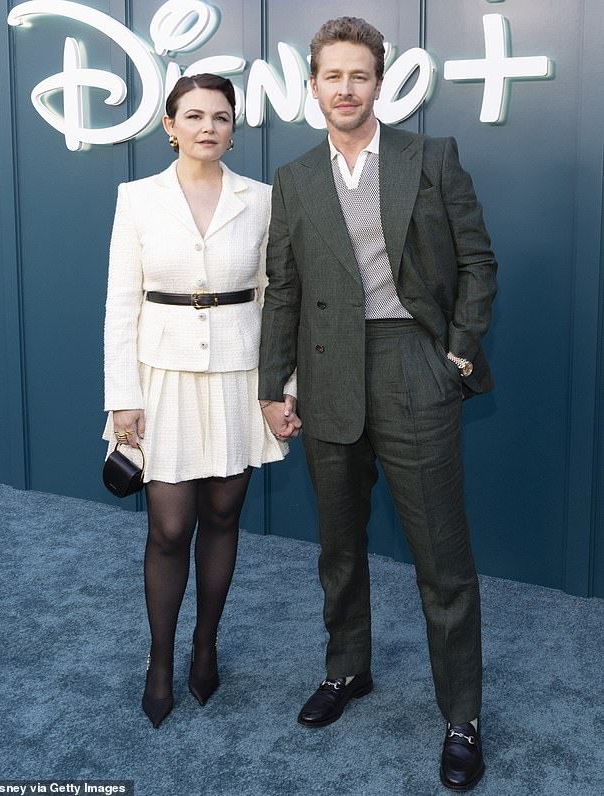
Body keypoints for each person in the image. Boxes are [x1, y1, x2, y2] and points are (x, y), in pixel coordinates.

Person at [258, 17, 497, 792]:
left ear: (379, 82)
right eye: (333, 75)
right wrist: (272, 385)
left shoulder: (429, 159)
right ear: (314, 85)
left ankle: (461, 714)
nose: (346, 89)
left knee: (443, 561)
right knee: (338, 547)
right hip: (326, 374)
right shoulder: (293, 178)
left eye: (360, 75)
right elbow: (283, 290)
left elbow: (477, 261)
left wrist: (456, 351)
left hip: (411, 364)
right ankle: (346, 670)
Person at [103, 74, 295, 729]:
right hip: (160, 379)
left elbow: (279, 299)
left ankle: (205, 645)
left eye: (220, 116)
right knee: (168, 528)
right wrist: (121, 397)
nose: (208, 126)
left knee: (222, 517)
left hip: (239, 376)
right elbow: (121, 303)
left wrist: (281, 388)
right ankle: (161, 661)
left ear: (233, 128)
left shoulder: (264, 200)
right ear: (169, 124)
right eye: (194, 115)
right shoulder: (137, 198)